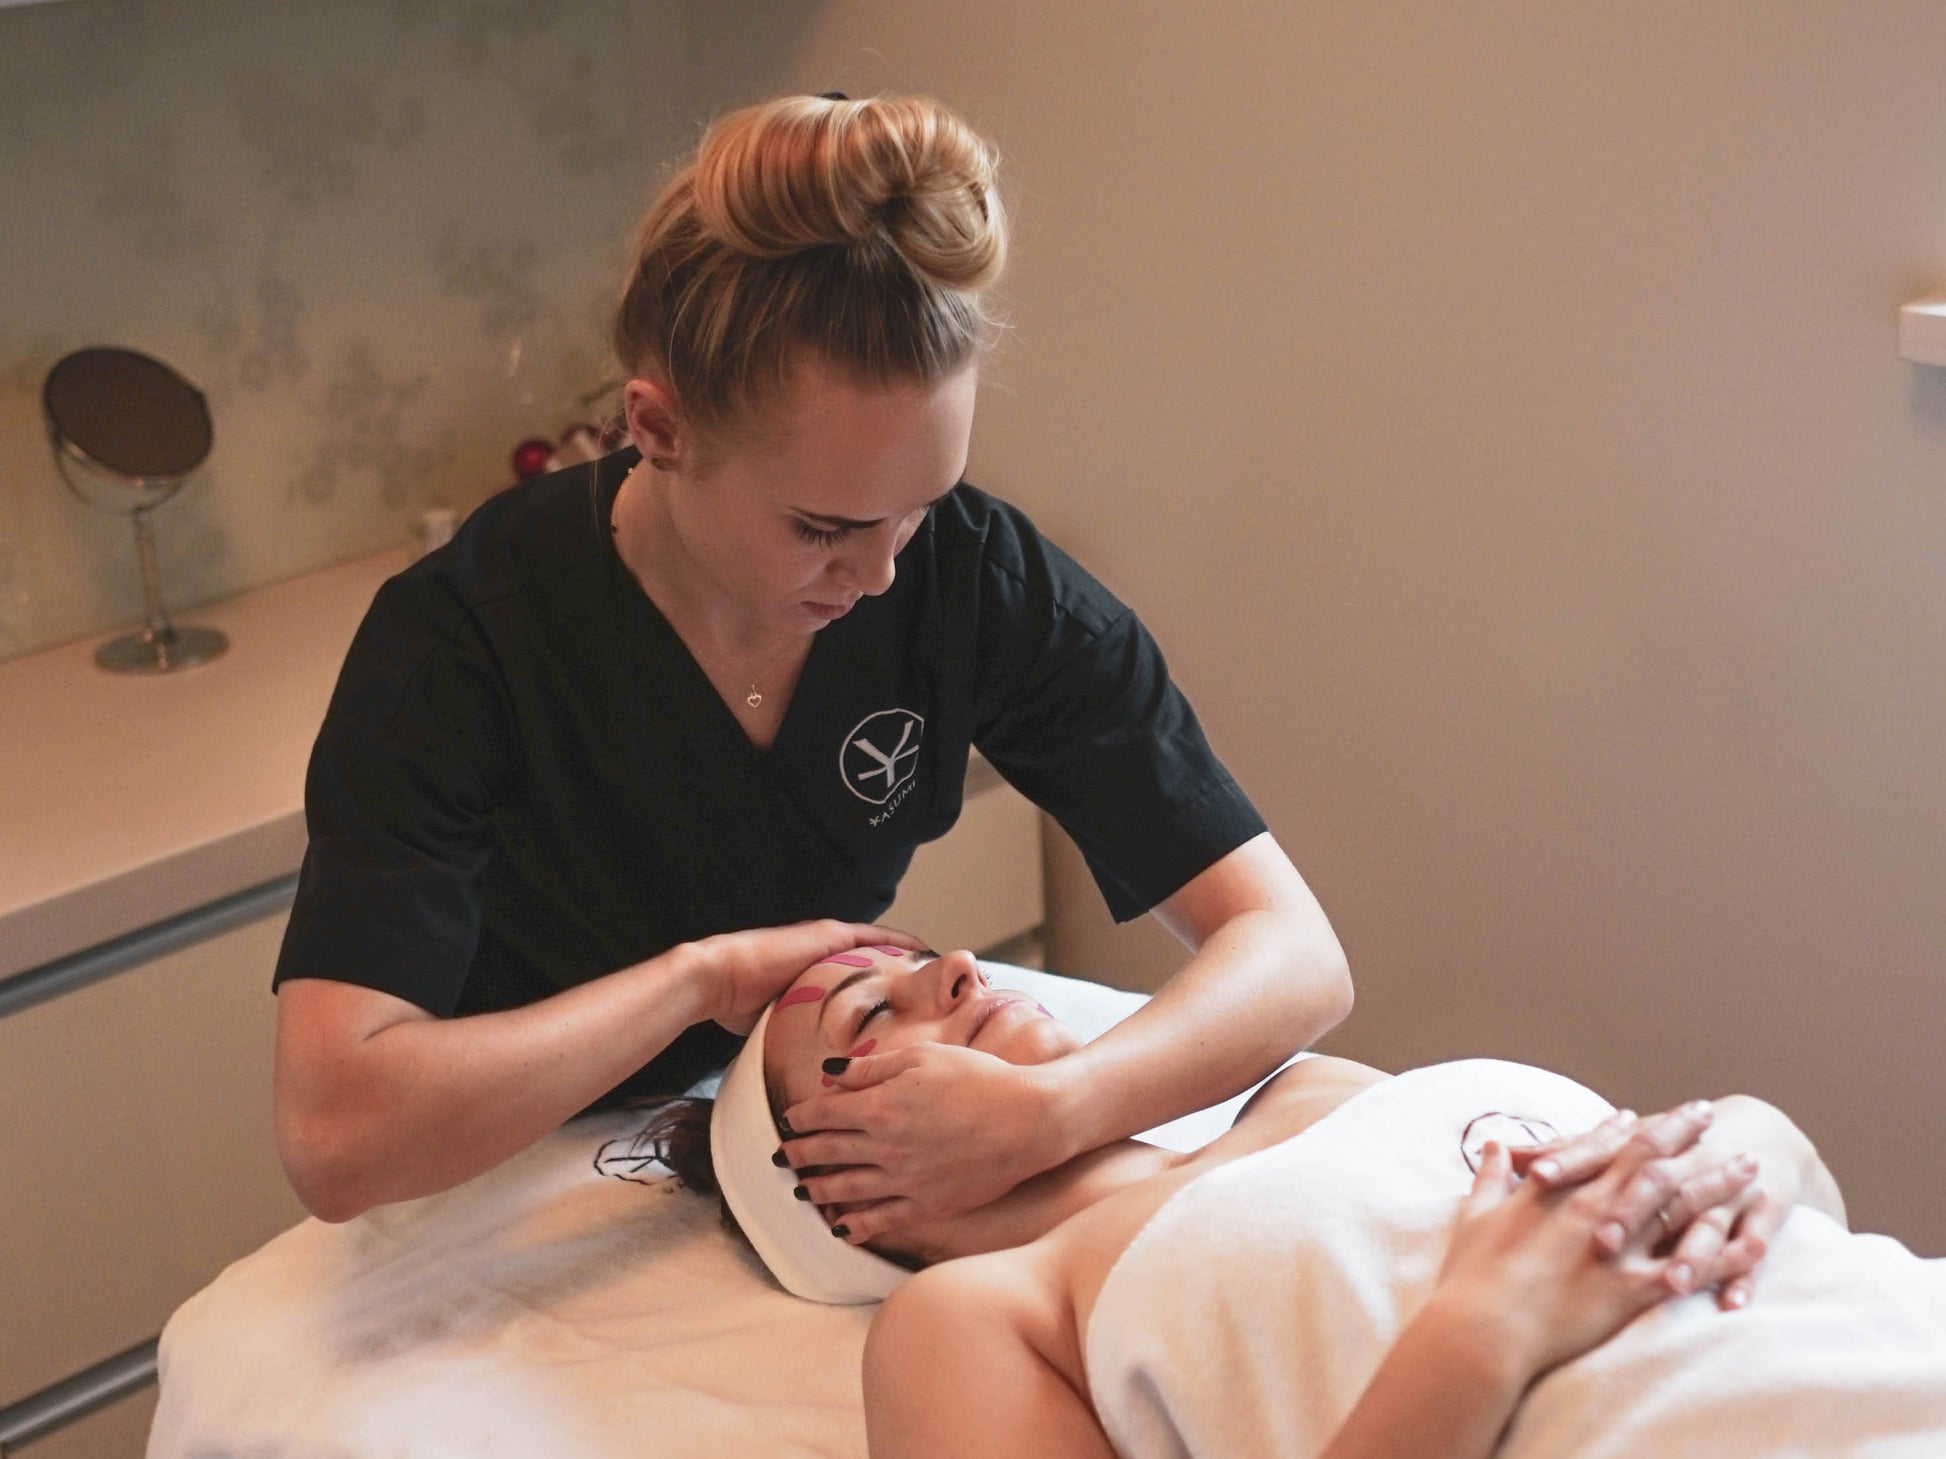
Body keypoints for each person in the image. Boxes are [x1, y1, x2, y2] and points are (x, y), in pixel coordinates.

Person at [269, 92, 1352, 1238]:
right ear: (658, 429)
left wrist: (1054, 1109)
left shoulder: (969, 575)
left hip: (785, 1124)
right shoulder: (463, 646)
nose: (881, 575)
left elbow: (1294, 955)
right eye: (822, 528)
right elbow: (337, 1138)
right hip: (500, 1152)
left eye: (917, 508)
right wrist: (701, 979)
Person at [663, 944, 1945, 1458]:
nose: (952, 965)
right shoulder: (981, 1316)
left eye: (923, 955)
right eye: (869, 1013)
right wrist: (1478, 1336)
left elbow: (1784, 1235)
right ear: (831, 1198)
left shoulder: (1308, 1087)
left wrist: (1762, 1141)